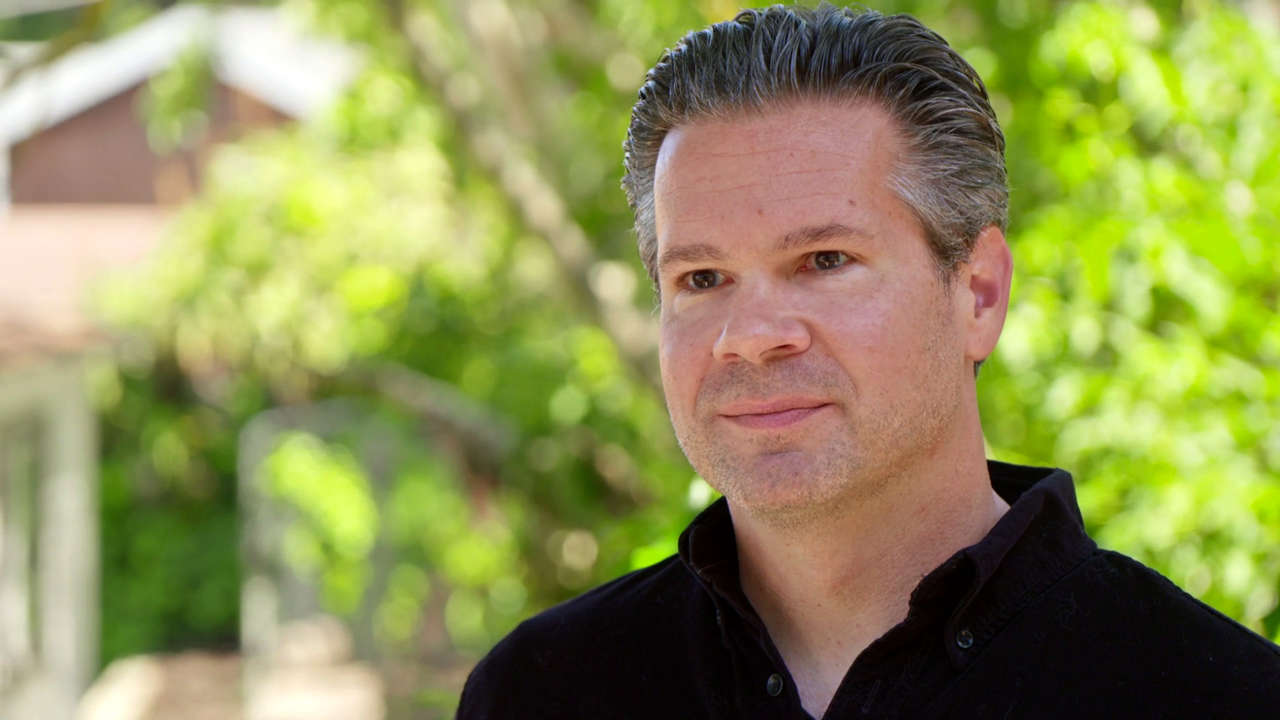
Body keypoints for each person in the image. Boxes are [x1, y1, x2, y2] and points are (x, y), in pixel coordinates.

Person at [456, 5, 1280, 718]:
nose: (751, 335)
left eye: (824, 260)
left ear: (979, 295)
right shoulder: (541, 692)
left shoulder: (1217, 697)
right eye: (702, 278)